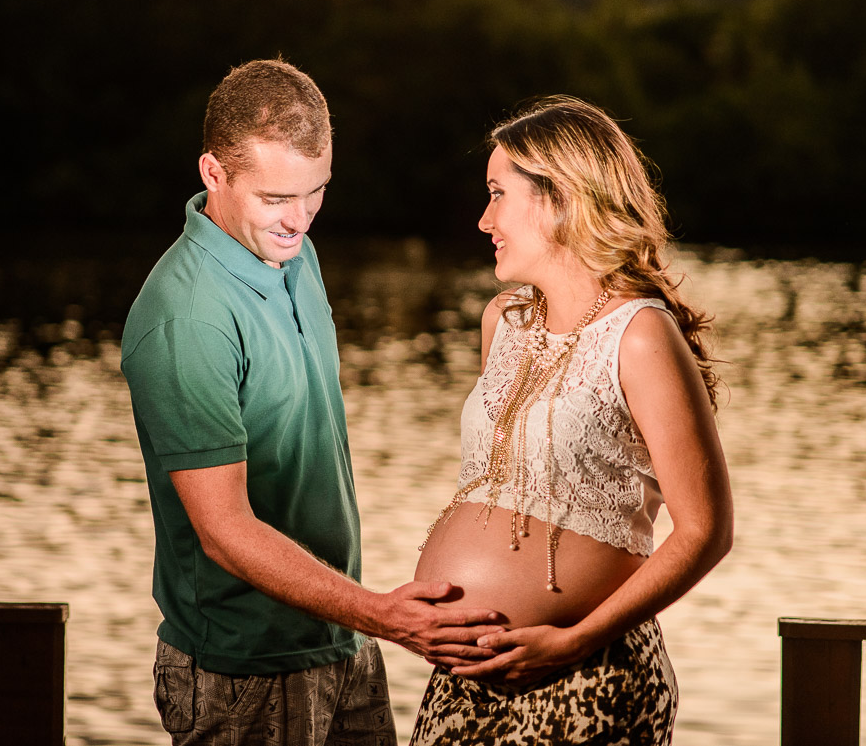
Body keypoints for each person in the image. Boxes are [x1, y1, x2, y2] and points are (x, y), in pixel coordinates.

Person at [120, 58, 501, 746]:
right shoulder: (188, 318)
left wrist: (368, 619)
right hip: (245, 674)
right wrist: (384, 614)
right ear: (214, 174)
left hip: (342, 636)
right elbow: (224, 530)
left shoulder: (292, 249)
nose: (299, 220)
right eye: (275, 198)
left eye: (316, 191)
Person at [410, 96, 734, 745]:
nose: (483, 219)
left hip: (584, 674)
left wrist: (573, 640)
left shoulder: (640, 334)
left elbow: (706, 529)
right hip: (464, 683)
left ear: (560, 197)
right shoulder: (502, 321)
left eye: (499, 194)